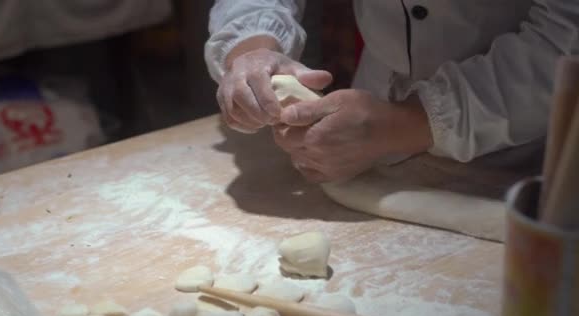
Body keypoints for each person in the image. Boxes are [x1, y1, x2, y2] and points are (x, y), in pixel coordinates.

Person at [204, 1, 579, 183]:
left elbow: (565, 39)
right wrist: (250, 48)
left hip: (526, 147)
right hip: (364, 136)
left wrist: (409, 124)